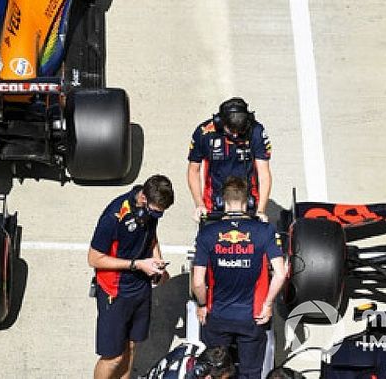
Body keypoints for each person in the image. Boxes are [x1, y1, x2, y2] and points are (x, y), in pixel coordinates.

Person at [192, 177, 287, 379]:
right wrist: (268, 304)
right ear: (249, 203)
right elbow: (280, 274)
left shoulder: (207, 233)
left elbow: (198, 282)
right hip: (252, 318)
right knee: (250, 373)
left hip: (217, 317)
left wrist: (201, 305)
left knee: (215, 371)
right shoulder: (265, 231)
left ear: (221, 202)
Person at [88, 175, 175, 379]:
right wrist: (137, 264)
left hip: (140, 288)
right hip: (115, 291)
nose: (157, 216)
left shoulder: (150, 211)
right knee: (113, 357)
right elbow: (94, 258)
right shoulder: (113, 217)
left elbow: (151, 236)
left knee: (132, 346)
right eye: (156, 212)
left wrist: (157, 262)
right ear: (143, 198)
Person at [187, 97, 272, 221]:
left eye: (240, 131)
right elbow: (193, 171)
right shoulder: (204, 133)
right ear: (220, 122)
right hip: (214, 204)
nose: (235, 135)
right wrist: (199, 205)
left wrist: (261, 210)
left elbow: (264, 174)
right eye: (231, 130)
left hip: (248, 204)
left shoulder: (256, 131)